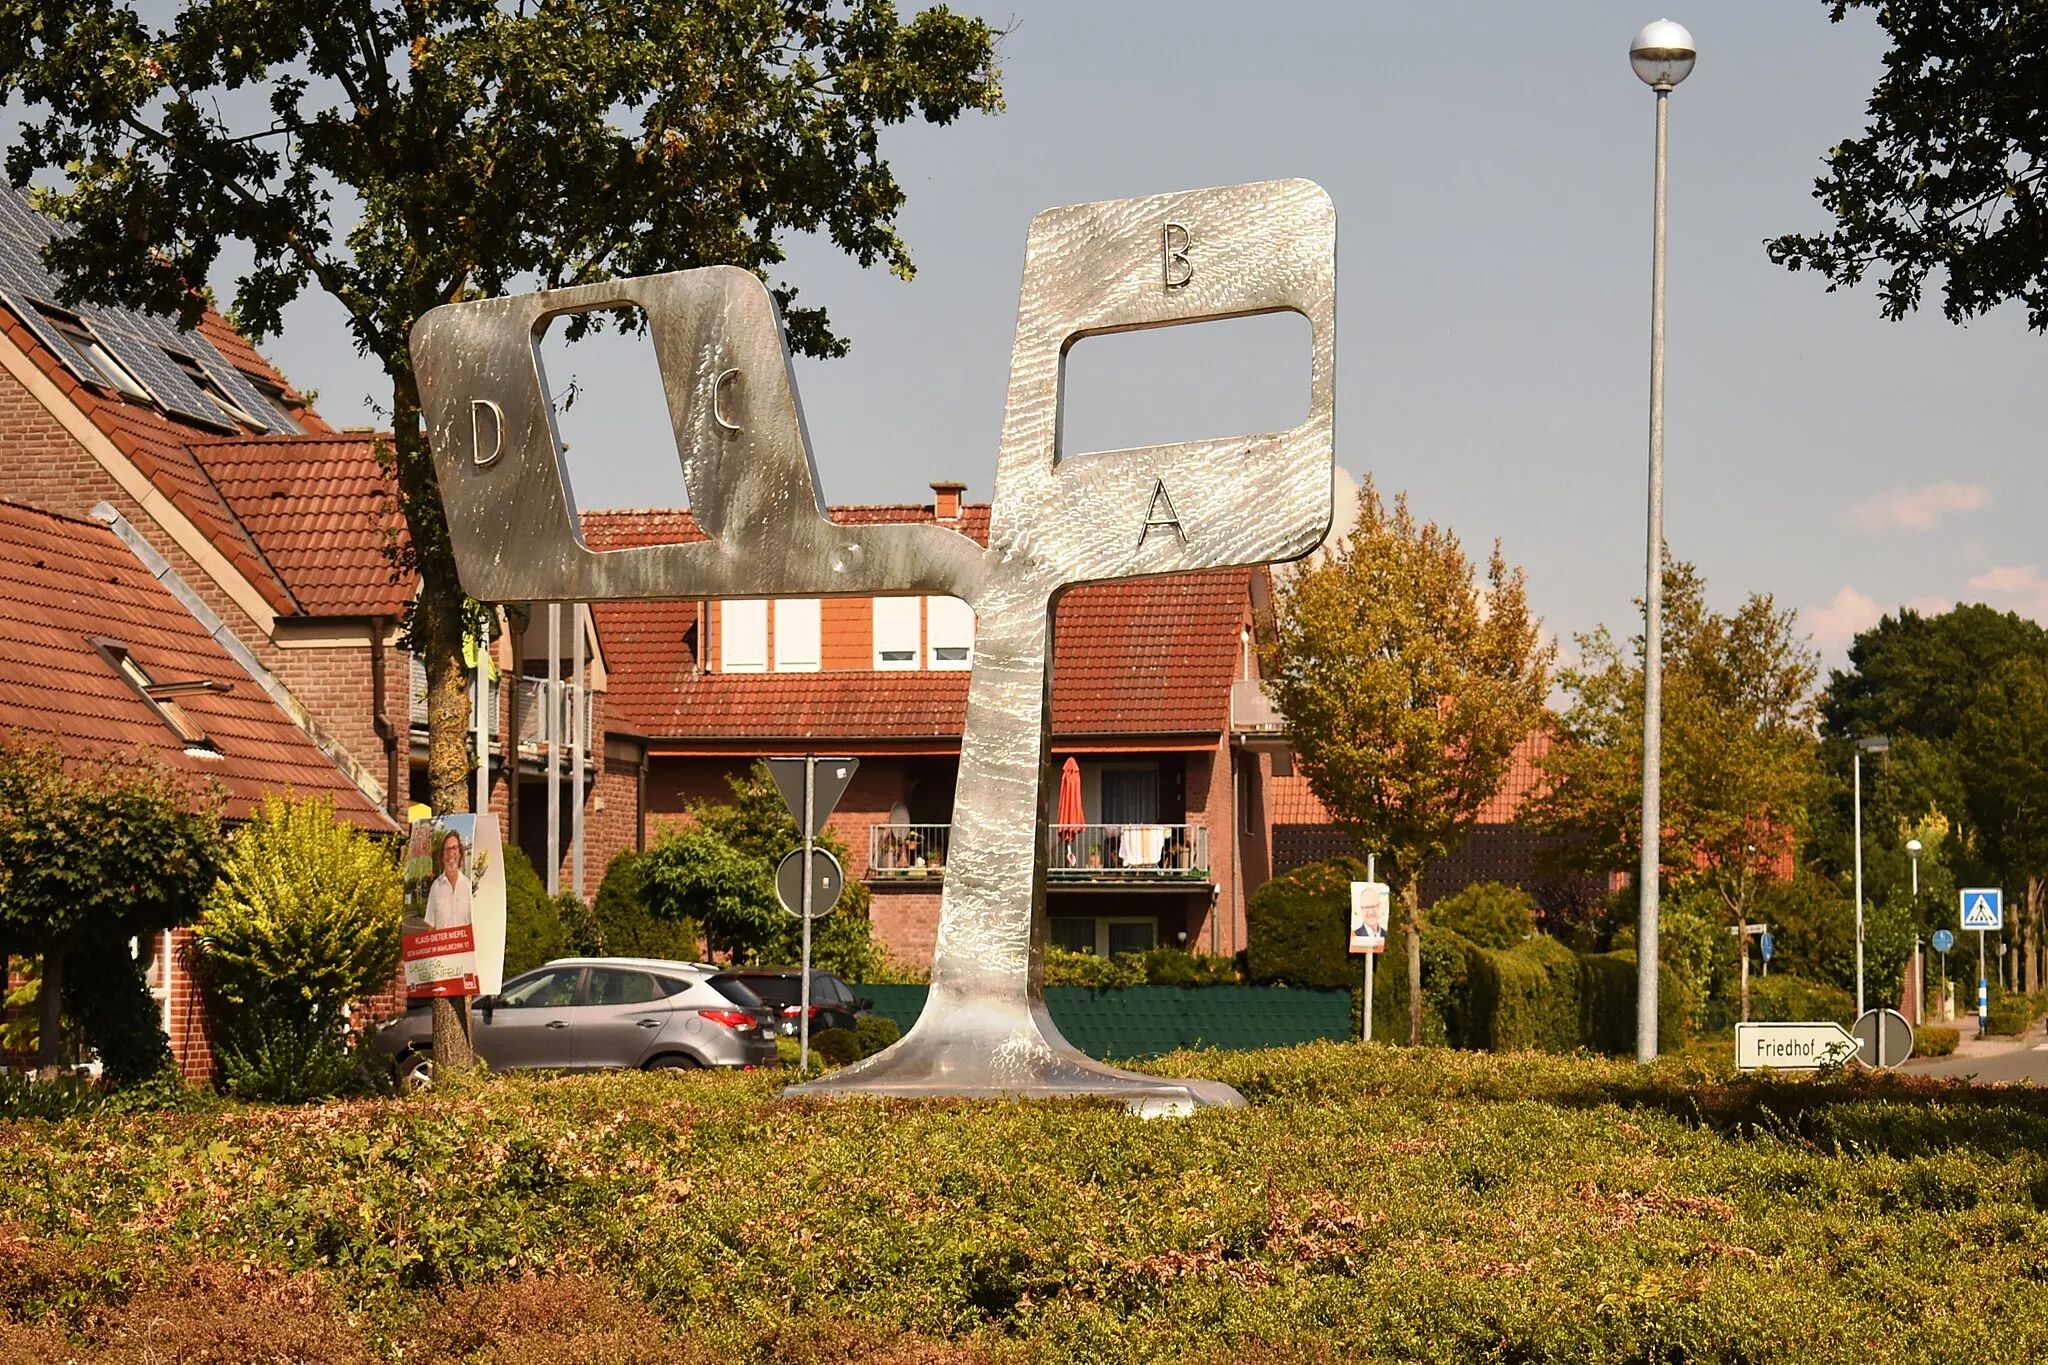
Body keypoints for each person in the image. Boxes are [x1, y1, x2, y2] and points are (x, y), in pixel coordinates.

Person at [424, 829, 473, 930]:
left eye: (454, 848)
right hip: (441, 946)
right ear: (442, 857)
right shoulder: (435, 888)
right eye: (447, 850)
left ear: (460, 853)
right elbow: (430, 927)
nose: (451, 853)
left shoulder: (469, 887)